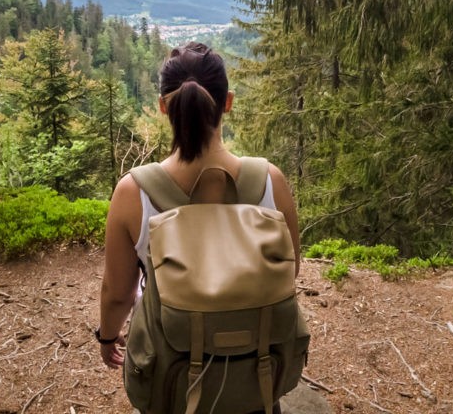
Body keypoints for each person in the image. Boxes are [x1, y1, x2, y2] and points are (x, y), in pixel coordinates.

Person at [97, 41, 300, 413]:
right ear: (228, 102)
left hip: (172, 376)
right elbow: (291, 271)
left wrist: (107, 336)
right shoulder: (271, 181)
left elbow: (117, 294)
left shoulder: (134, 192)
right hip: (258, 372)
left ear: (163, 107)